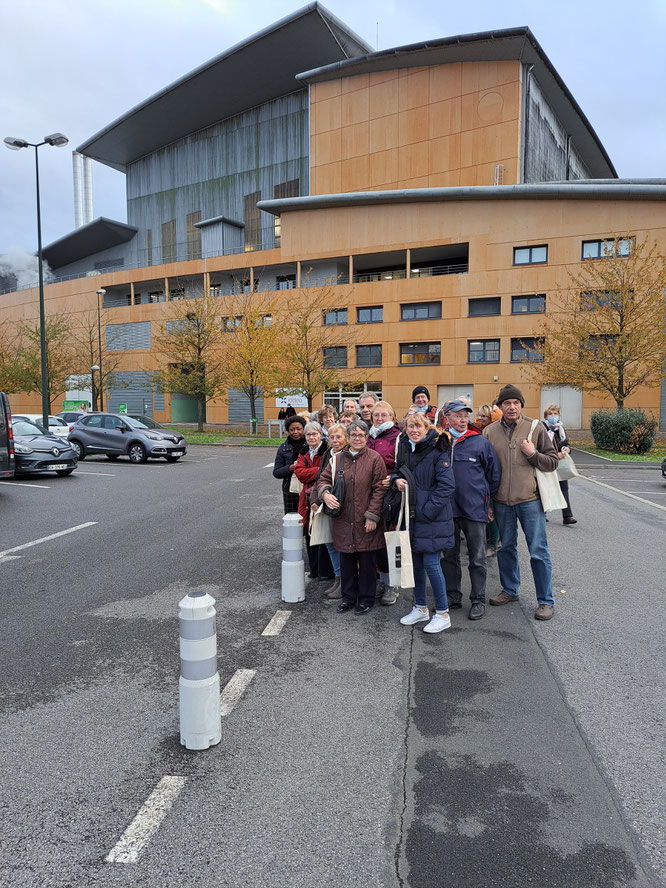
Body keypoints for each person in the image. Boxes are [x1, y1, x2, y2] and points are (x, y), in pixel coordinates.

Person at [483, 385, 559, 621]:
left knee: (538, 551)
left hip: (529, 501)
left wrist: (532, 454)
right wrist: (487, 502)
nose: (512, 407)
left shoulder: (535, 428)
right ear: (500, 406)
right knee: (506, 548)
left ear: (521, 405)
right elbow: (484, 470)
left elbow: (552, 462)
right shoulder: (489, 432)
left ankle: (545, 601)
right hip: (501, 502)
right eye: (507, 403)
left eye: (516, 402)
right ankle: (510, 590)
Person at [392, 412, 455, 634]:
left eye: (419, 426)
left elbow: (446, 486)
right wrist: (396, 480)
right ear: (405, 429)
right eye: (411, 426)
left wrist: (427, 511)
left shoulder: (439, 449)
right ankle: (420, 607)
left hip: (430, 517)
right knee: (416, 564)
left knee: (431, 564)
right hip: (412, 516)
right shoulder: (405, 448)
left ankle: (443, 613)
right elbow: (396, 471)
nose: (415, 430)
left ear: (427, 428)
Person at [440, 400, 501, 620]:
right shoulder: (440, 441)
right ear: (447, 417)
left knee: (477, 557)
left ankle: (478, 599)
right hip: (446, 510)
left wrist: (486, 501)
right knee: (449, 556)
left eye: (466, 415)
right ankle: (453, 596)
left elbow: (494, 474)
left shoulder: (479, 442)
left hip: (474, 509)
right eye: (458, 415)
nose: (463, 419)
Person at [318, 420, 386, 615]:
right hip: (343, 518)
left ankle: (366, 599)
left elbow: (379, 490)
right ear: (348, 437)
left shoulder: (375, 459)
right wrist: (325, 494)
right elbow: (322, 479)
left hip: (365, 519)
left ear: (367, 438)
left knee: (366, 561)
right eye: (354, 435)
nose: (357, 438)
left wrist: (372, 516)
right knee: (346, 560)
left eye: (361, 435)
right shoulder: (337, 459)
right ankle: (348, 597)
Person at [366, 400, 401, 606]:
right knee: (374, 541)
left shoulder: (399, 438)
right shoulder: (368, 436)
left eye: (384, 415)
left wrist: (394, 476)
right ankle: (382, 579)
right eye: (376, 415)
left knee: (390, 540)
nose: (380, 419)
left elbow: (404, 464)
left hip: (390, 495)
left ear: (392, 417)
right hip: (369, 494)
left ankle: (393, 584)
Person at [310, 422, 348, 599]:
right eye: (332, 437)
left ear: (346, 438)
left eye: (339, 436)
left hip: (343, 508)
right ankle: (338, 579)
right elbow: (319, 479)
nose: (335, 440)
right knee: (329, 543)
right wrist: (315, 500)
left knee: (341, 545)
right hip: (326, 506)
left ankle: (345, 582)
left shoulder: (347, 455)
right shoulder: (328, 454)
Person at [295, 422, 335, 584]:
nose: (311, 437)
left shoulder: (326, 451)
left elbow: (327, 473)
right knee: (309, 533)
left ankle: (325, 571)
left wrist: (315, 473)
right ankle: (314, 570)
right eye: (308, 435)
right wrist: (318, 471)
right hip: (305, 499)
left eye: (314, 434)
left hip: (321, 496)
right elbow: (299, 474)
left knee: (323, 533)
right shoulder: (303, 452)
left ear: (321, 435)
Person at [543, 404, 577, 525]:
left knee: (564, 489)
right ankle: (543, 513)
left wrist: (567, 449)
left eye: (555, 414)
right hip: (547, 462)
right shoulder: (542, 428)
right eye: (550, 414)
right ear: (545, 417)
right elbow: (541, 446)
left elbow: (565, 443)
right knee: (545, 488)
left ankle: (567, 516)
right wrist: (554, 454)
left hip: (560, 463)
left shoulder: (560, 429)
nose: (553, 416)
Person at [272, 414, 308, 514]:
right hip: (290, 490)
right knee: (292, 520)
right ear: (288, 430)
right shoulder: (283, 448)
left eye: (298, 429)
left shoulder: (310, 445)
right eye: (292, 429)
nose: (295, 432)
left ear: (304, 429)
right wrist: (289, 468)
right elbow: (276, 472)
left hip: (308, 488)